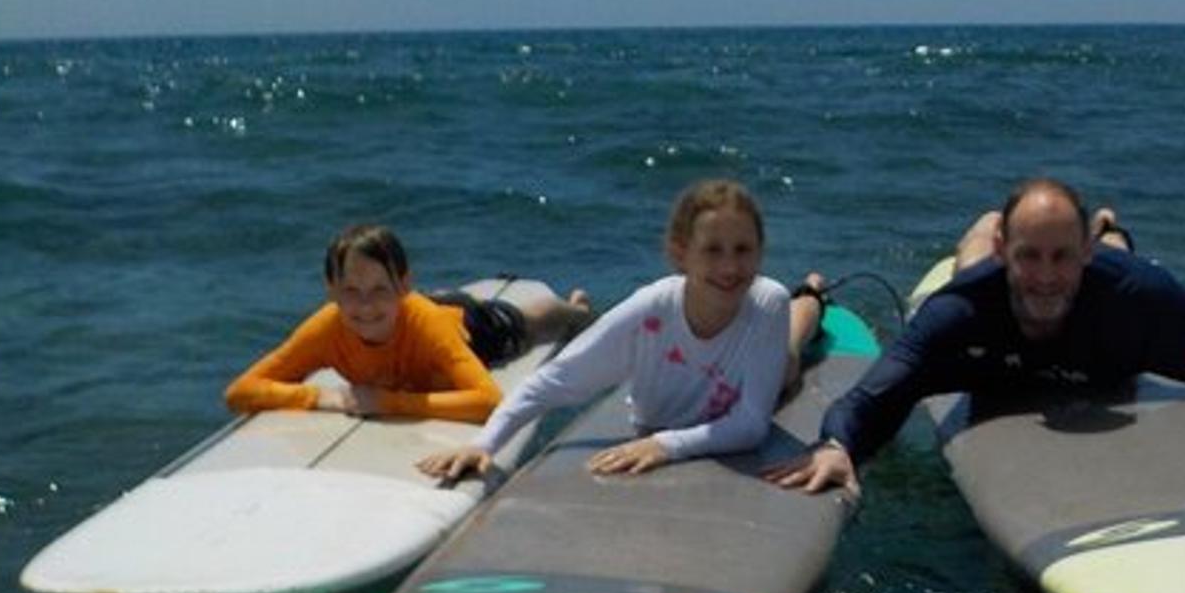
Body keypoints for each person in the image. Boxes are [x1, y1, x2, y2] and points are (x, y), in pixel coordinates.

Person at [764, 177, 1185, 500]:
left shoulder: (1138, 300)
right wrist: (837, 445)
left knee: (1126, 259)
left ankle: (1111, 226)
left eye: (1062, 256)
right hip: (985, 283)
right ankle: (979, 235)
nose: (1046, 276)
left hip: (1113, 265)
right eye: (1028, 256)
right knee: (966, 270)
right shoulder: (961, 312)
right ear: (1011, 251)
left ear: (1082, 255)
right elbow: (884, 386)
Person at [418, 180, 829, 481]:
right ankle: (810, 292)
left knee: (790, 355)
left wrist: (664, 446)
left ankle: (813, 292)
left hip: (756, 369)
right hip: (698, 396)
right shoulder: (651, 311)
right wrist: (484, 445)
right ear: (680, 253)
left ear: (761, 251)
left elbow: (751, 426)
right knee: (787, 354)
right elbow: (552, 382)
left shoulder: (765, 300)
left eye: (743, 250)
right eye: (713, 250)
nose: (729, 267)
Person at [224, 223, 594, 423]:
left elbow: (488, 402)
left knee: (526, 324)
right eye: (351, 290)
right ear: (331, 290)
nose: (365, 306)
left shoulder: (427, 324)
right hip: (420, 311)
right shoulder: (326, 327)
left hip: (467, 326)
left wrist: (390, 403)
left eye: (378, 290)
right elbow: (240, 392)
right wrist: (321, 397)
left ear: (403, 285)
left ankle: (575, 310)